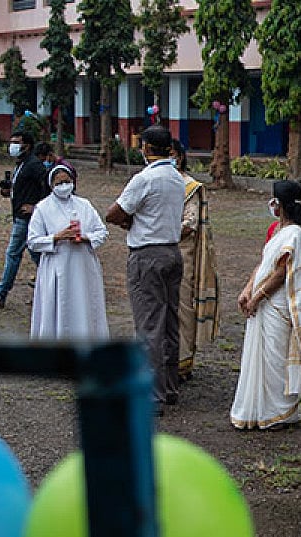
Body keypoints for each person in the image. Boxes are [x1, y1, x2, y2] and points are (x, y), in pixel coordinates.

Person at [230, 180, 301, 430]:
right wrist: (247, 288)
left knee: (275, 358)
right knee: (261, 356)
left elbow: (281, 272)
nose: (270, 203)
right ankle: (258, 410)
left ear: (280, 203)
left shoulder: (294, 233)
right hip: (263, 301)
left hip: (278, 304)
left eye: (273, 199)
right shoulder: (276, 230)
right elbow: (264, 264)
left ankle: (280, 412)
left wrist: (257, 298)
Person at [106, 126, 186, 416]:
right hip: (172, 252)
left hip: (146, 254)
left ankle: (152, 395)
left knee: (149, 325)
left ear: (148, 148)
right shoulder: (177, 179)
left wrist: (130, 223)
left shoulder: (145, 178)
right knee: (170, 322)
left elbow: (113, 213)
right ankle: (170, 387)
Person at [26, 163, 109, 339]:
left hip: (83, 264)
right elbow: (33, 241)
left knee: (84, 305)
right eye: (59, 182)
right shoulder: (43, 208)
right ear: (51, 185)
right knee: (59, 305)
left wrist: (85, 237)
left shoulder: (84, 205)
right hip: (57, 264)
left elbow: (101, 232)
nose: (64, 185)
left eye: (67, 181)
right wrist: (57, 237)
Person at [169, 138, 219, 380]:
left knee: (182, 307)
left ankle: (182, 360)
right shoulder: (152, 181)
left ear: (179, 156)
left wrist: (160, 231)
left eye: (172, 154)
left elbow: (190, 224)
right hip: (158, 251)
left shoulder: (190, 187)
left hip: (182, 254)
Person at [0, 130, 48, 308]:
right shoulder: (21, 164)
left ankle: (1, 294)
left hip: (27, 219)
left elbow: (49, 185)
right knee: (39, 257)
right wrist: (9, 190)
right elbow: (25, 187)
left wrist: (36, 206)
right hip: (21, 217)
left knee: (14, 254)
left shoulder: (34, 165)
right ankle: (51, 288)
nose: (13, 146)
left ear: (27, 145)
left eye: (16, 142)